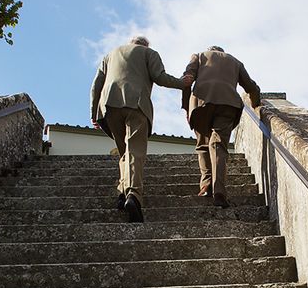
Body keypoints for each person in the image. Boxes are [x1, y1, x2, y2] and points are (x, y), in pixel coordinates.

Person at [90, 35, 191, 222]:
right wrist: (181, 83)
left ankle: (122, 190)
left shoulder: (110, 55)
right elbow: (159, 77)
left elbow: (96, 84)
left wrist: (93, 112)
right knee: (135, 151)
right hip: (136, 104)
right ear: (145, 45)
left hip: (109, 105)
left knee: (124, 153)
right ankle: (133, 195)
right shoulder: (149, 53)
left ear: (131, 43)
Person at [182, 46, 260, 208]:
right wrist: (256, 103)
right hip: (228, 104)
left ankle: (206, 185)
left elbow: (187, 78)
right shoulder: (235, 61)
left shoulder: (199, 56)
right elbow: (250, 86)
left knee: (203, 145)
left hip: (201, 103)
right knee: (218, 145)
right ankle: (219, 191)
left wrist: (186, 107)